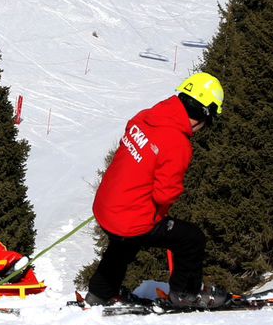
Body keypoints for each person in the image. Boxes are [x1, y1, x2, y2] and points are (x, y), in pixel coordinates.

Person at [85, 72, 225, 310]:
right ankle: (186, 294)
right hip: (128, 214)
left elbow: (132, 147)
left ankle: (100, 292)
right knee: (190, 238)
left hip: (106, 205)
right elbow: (164, 194)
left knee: (123, 243)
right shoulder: (178, 143)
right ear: (204, 114)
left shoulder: (148, 116)